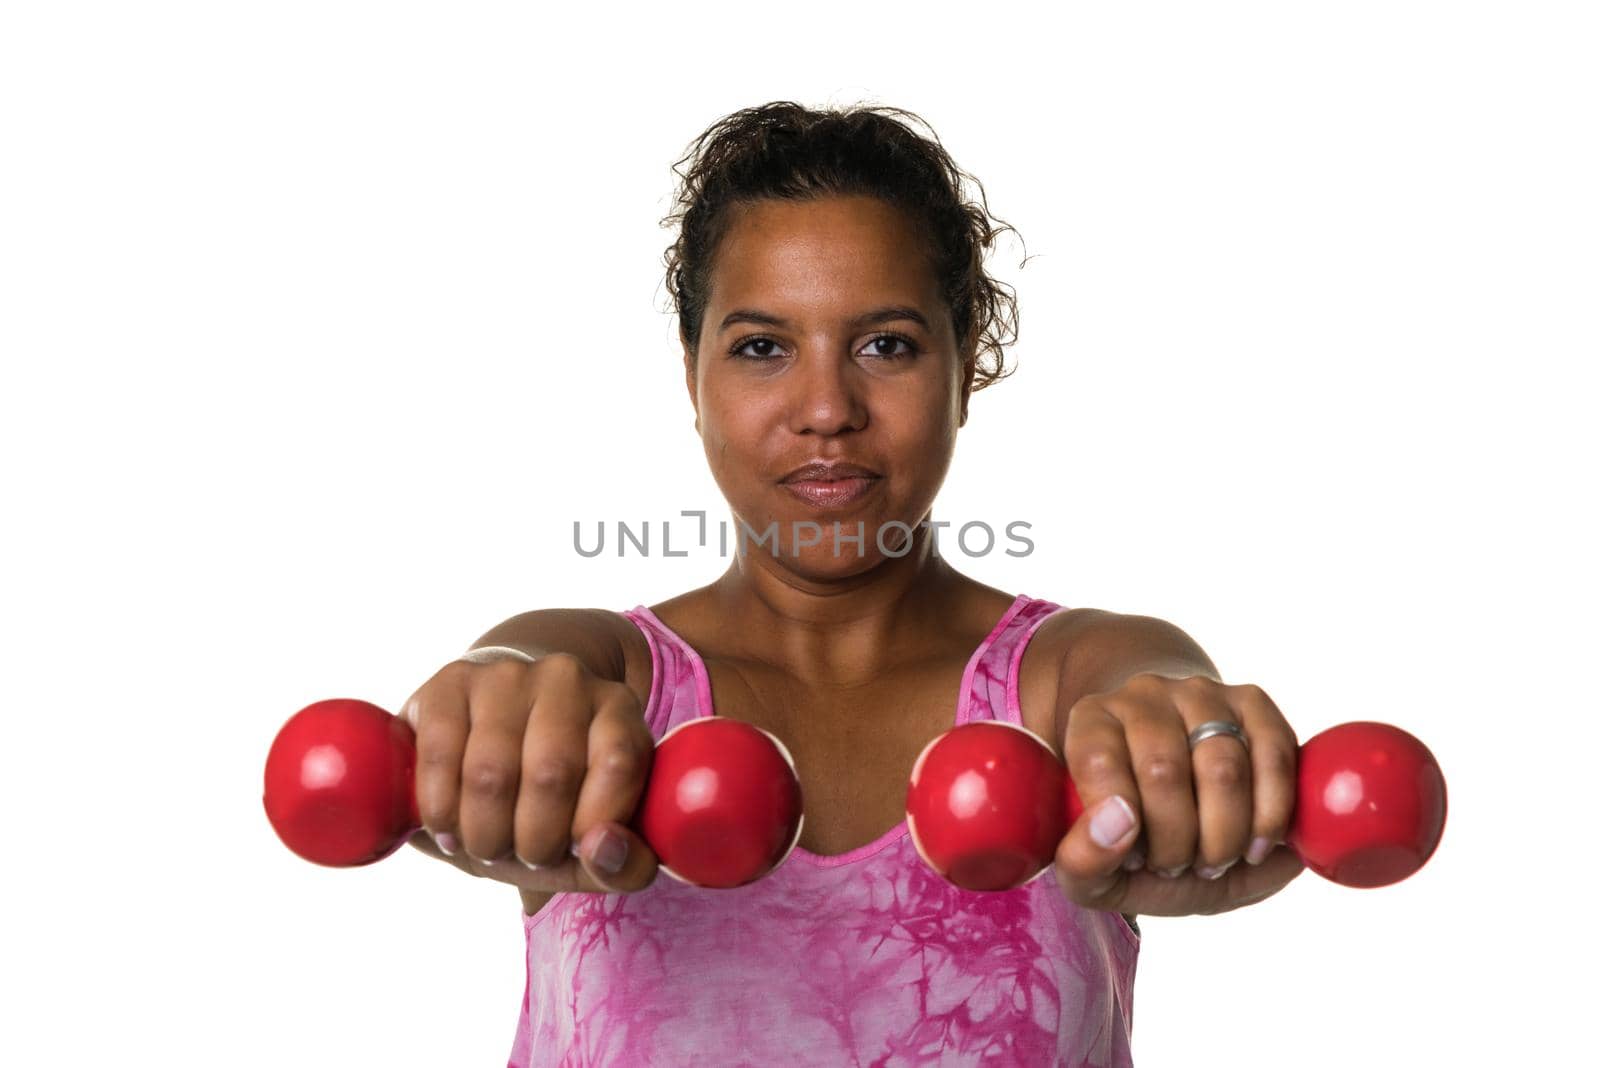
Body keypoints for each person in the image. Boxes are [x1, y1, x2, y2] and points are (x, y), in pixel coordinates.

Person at [401, 101, 1307, 1067]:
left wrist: (1183, 739)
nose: (827, 409)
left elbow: (1154, 688)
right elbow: (519, 667)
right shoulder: (604, 679)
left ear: (967, 369)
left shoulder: (1068, 676)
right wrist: (490, 694)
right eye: (761, 347)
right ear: (692, 376)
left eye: (887, 345)